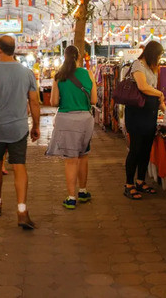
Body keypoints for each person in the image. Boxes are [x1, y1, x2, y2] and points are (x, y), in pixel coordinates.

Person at [0, 35, 40, 230]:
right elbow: (34, 102)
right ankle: (22, 211)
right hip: (19, 128)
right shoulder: (27, 73)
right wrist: (36, 126)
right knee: (19, 166)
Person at [47, 45, 97, 209]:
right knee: (83, 155)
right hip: (85, 119)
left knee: (71, 160)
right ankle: (82, 191)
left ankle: (71, 197)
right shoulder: (88, 73)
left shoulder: (59, 76)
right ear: (78, 57)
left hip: (66, 119)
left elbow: (53, 102)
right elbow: (94, 101)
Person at [123, 41, 166, 200]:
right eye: (158, 55)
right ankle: (129, 184)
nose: (159, 59)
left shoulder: (152, 68)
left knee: (146, 150)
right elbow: (143, 87)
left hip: (150, 114)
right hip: (136, 115)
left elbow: (155, 91)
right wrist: (159, 94)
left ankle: (141, 180)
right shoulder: (138, 65)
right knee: (135, 149)